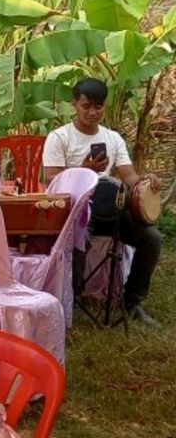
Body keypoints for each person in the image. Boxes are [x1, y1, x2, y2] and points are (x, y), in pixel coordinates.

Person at [43, 77, 162, 327]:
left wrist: (146, 182)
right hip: (78, 209)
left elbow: (129, 176)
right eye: (86, 106)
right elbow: (51, 179)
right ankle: (72, 300)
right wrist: (82, 170)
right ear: (74, 104)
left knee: (152, 238)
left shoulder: (113, 138)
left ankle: (132, 303)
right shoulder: (60, 137)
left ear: (104, 107)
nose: (92, 112)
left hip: (113, 209)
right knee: (78, 237)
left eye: (98, 107)